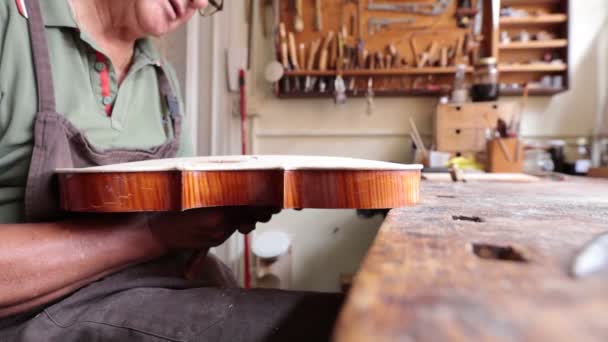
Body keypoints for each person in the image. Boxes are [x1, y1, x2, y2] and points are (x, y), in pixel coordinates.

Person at [0, 0, 343, 341]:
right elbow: (159, 234)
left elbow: (181, 237)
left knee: (352, 317)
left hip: (152, 289)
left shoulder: (159, 75)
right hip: (33, 314)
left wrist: (211, 218)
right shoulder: (10, 21)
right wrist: (153, 235)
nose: (197, 3)